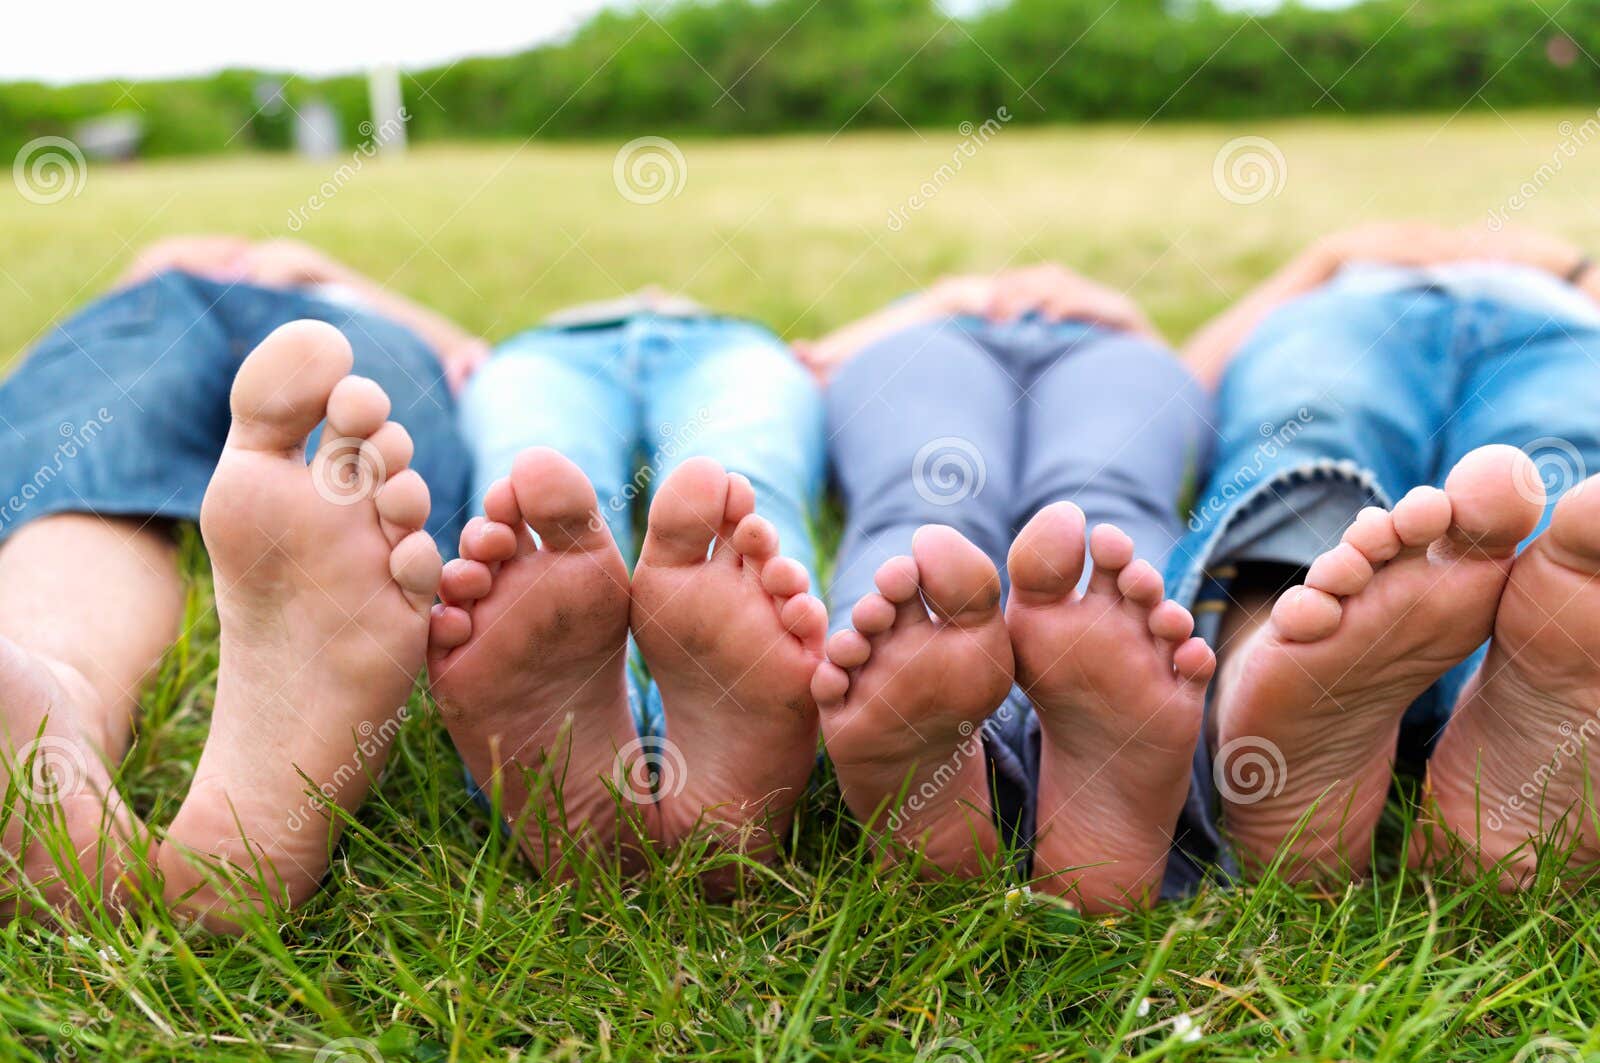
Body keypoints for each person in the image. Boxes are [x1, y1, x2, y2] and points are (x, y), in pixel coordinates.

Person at [0, 237, 483, 928]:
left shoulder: (327, 285)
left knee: (94, 470)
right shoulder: (169, 266)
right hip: (162, 307)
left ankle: (68, 694)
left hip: (311, 324)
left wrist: (321, 268)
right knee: (91, 451)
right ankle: (55, 707)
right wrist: (170, 264)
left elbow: (466, 355)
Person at [1172, 223, 1600, 891]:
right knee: (1308, 431)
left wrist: (1572, 271)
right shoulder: (1339, 276)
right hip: (1355, 310)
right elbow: (1186, 382)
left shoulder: (1564, 280)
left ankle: (1524, 694)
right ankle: (1490, 706)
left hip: (1557, 321)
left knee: (1570, 493)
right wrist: (1323, 259)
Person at [801, 266, 1217, 912]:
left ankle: (967, 769)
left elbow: (1219, 369)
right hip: (954, 335)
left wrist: (1129, 319)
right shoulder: (925, 315)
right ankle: (1095, 769)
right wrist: (927, 305)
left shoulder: (1117, 328)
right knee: (1097, 511)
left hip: (1103, 344)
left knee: (932, 510)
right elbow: (802, 366)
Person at [425, 289, 829, 891]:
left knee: (716, 493)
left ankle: (608, 765)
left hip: (586, 347)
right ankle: (709, 770)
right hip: (618, 345)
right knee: (730, 495)